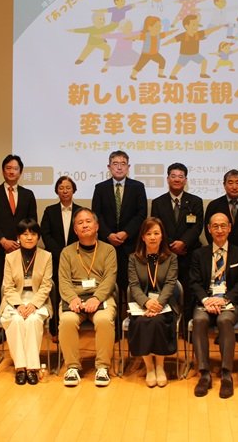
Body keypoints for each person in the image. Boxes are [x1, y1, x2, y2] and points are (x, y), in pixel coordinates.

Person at [189, 213, 238, 399]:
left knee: (225, 321)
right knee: (199, 320)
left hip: (229, 302)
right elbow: (194, 283)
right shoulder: (199, 254)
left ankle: (226, 374)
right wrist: (206, 300)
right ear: (209, 229)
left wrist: (224, 299)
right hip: (205, 301)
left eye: (223, 226)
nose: (219, 230)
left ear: (230, 228)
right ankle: (204, 374)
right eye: (215, 226)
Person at [58, 208, 117, 387]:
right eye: (80, 222)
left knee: (104, 320)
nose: (84, 225)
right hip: (75, 298)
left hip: (101, 297)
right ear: (75, 230)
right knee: (67, 320)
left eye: (88, 221)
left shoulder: (108, 250)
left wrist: (97, 298)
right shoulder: (67, 252)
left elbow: (110, 279)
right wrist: (72, 298)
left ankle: (103, 367)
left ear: (97, 226)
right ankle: (72, 367)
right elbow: (63, 281)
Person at [0, 154, 37, 343]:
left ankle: (22, 321)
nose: (11, 171)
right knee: (1, 287)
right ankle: (2, 328)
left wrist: (21, 241)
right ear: (3, 170)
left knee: (21, 286)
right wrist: (3, 240)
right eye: (8, 168)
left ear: (20, 172)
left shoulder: (28, 194)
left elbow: (32, 220)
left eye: (15, 168)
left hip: (23, 249)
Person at [149, 162, 203, 330]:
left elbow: (197, 226)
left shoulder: (195, 201)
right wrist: (171, 245)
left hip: (189, 254)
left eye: (180, 176)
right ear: (167, 179)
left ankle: (187, 328)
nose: (177, 179)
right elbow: (156, 227)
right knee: (167, 291)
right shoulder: (158, 202)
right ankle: (169, 326)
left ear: (185, 180)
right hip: (166, 254)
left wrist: (183, 243)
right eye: (173, 176)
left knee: (190, 291)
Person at [0, 219, 53, 385]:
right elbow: (7, 286)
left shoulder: (46, 256)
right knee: (16, 320)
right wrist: (19, 305)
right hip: (15, 299)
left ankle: (32, 368)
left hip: (38, 299)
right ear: (18, 237)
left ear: (38, 237)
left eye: (33, 234)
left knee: (33, 320)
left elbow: (46, 285)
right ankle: (20, 368)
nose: (29, 237)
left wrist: (34, 305)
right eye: (25, 234)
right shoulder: (10, 257)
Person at [127, 217, 179, 388]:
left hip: (165, 304)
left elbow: (170, 284)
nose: (152, 237)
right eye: (148, 234)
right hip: (141, 305)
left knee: (158, 321)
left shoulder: (171, 258)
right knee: (142, 321)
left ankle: (160, 366)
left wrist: (158, 304)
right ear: (143, 237)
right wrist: (146, 303)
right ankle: (149, 367)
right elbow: (134, 285)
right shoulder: (134, 258)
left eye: (156, 233)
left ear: (162, 236)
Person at [91, 150, 147, 299]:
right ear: (109, 167)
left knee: (130, 283)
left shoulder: (138, 187)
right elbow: (96, 215)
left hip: (130, 244)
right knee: (108, 283)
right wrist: (108, 234)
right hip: (106, 244)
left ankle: (129, 311)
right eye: (115, 164)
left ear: (128, 167)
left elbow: (141, 214)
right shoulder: (100, 188)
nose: (119, 167)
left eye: (123, 164)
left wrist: (126, 233)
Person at [40, 175, 79, 336]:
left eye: (68, 188)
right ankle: (55, 329)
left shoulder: (81, 211)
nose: (65, 191)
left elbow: (84, 234)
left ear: (74, 190)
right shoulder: (49, 211)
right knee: (55, 293)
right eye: (61, 188)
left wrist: (71, 253)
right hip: (55, 259)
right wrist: (60, 253)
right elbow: (45, 234)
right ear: (57, 190)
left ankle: (74, 325)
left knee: (75, 290)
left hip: (77, 259)